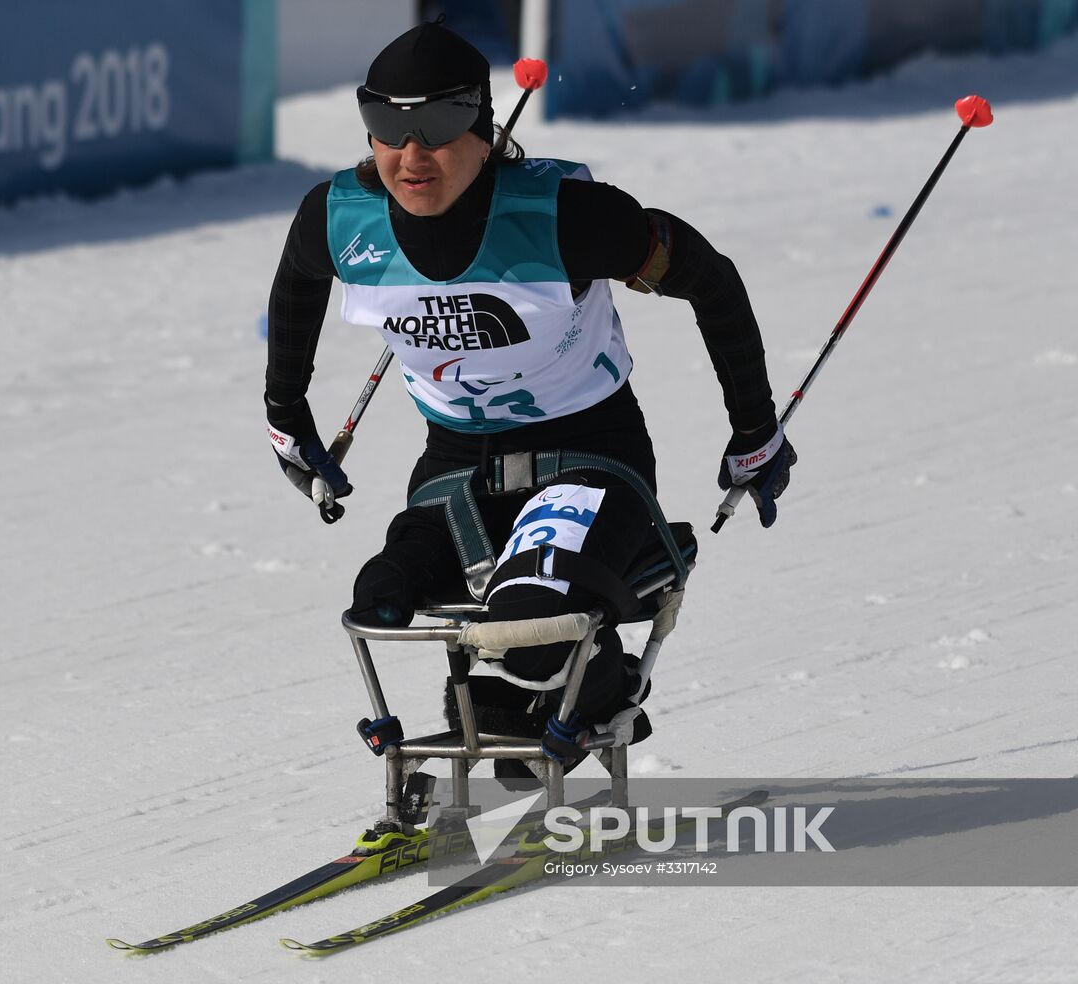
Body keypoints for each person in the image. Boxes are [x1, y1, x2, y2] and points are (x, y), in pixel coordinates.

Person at [264, 20, 795, 772]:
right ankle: (515, 699)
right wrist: (287, 422)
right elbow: (295, 288)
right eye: (386, 125)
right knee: (379, 595)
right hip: (454, 471)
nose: (410, 156)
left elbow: (710, 277)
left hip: (587, 458)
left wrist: (755, 433)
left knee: (534, 623)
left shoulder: (568, 218)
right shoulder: (341, 217)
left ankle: (594, 678)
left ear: (482, 126)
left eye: (439, 126)